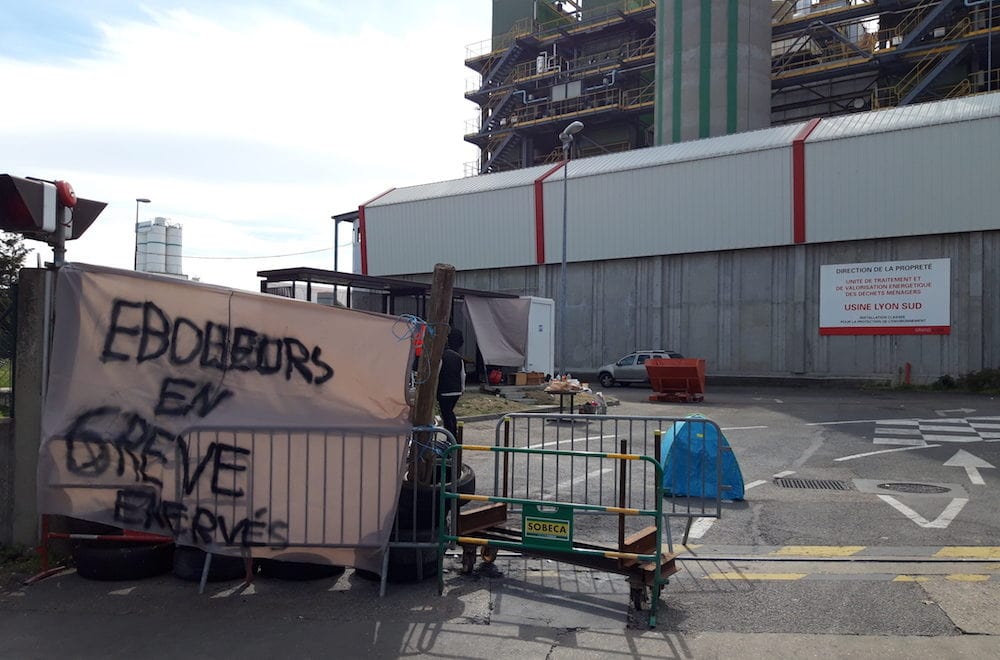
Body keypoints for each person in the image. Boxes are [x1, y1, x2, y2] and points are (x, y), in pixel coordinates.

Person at [437, 327, 465, 440]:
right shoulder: (458, 357)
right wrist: (462, 388)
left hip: (444, 391)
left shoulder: (440, 357)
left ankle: (451, 437)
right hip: (456, 390)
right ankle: (454, 436)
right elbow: (462, 374)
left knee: (446, 414)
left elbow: (437, 375)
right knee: (450, 412)